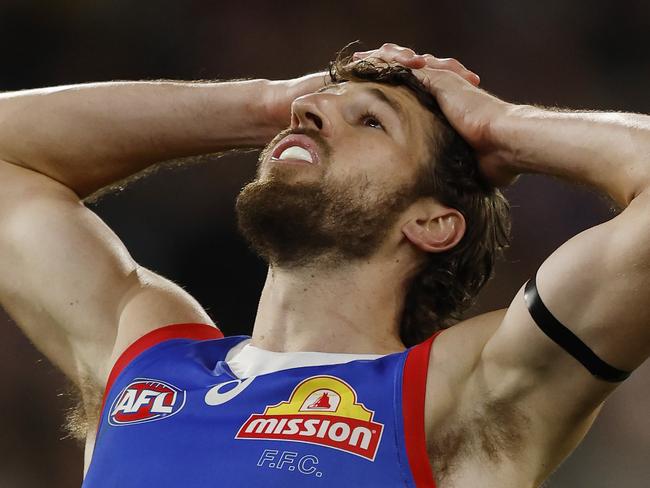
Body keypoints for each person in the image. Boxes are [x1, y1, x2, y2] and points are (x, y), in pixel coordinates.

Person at [0, 42, 648, 487]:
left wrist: (500, 126)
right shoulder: (144, 354)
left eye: (371, 123)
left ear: (430, 221)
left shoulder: (458, 395)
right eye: (314, 108)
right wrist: (260, 104)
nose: (310, 114)